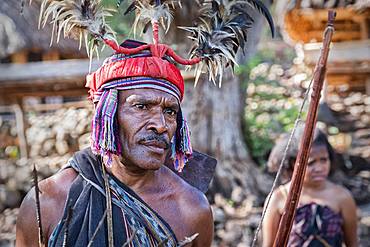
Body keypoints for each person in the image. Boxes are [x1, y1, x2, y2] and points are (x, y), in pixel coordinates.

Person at [15, 39, 214, 246]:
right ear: (106, 113)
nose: (161, 125)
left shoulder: (191, 209)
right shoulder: (47, 203)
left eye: (170, 112)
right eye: (142, 106)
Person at [262, 128, 358, 247]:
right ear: (294, 163)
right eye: (310, 163)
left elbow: (352, 244)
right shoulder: (279, 197)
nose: (319, 168)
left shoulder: (342, 197)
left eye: (323, 160)